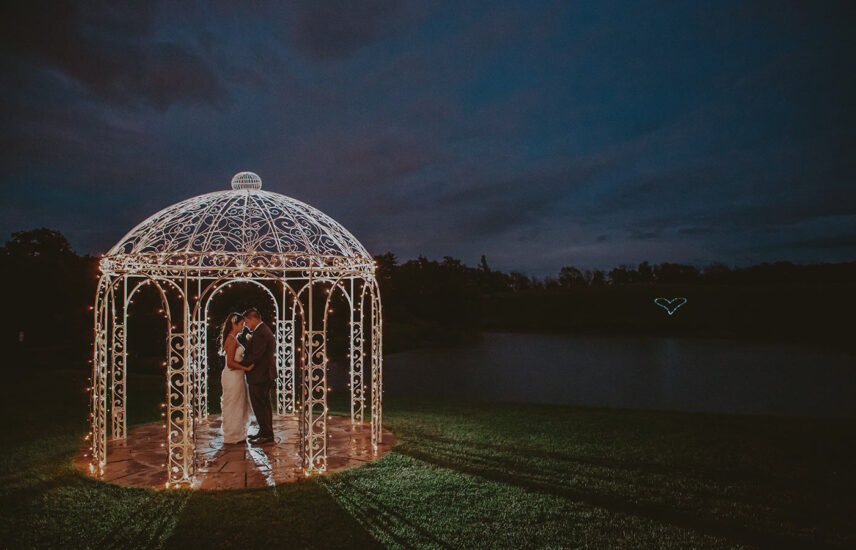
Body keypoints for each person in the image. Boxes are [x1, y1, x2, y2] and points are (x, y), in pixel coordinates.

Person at [239, 308, 276, 444]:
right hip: (264, 374)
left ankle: (266, 435)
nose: (246, 325)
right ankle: (265, 431)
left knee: (260, 405)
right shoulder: (263, 330)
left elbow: (257, 354)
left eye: (247, 322)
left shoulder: (261, 333)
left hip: (260, 375)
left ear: (253, 319)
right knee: (264, 405)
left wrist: (240, 363)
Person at [219, 313, 253, 444]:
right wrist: (247, 368)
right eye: (241, 324)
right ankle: (232, 435)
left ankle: (238, 433)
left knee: (239, 404)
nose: (243, 327)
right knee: (233, 404)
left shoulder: (235, 338)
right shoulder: (231, 340)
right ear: (234, 324)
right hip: (232, 376)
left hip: (237, 377)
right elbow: (230, 364)